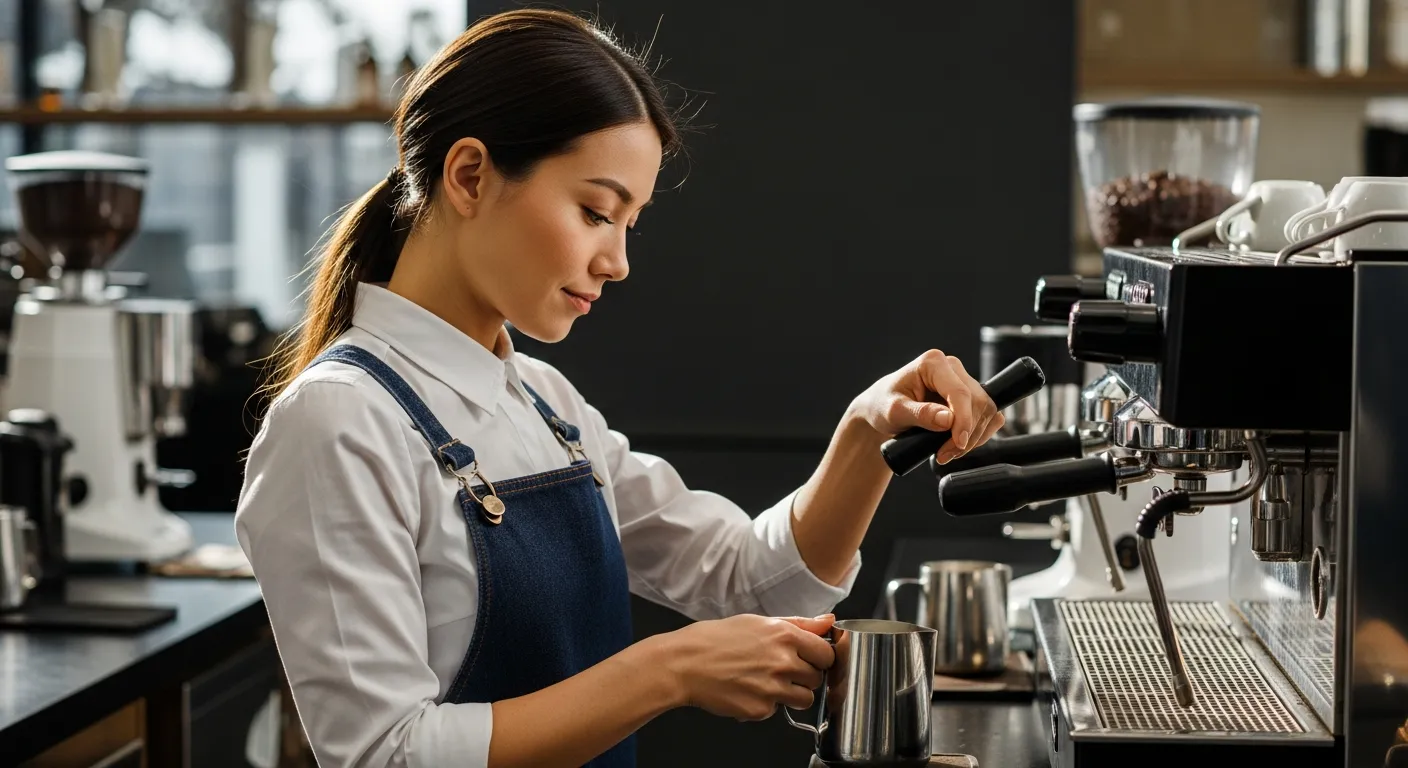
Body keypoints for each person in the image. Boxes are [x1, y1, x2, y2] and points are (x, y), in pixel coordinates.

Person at [235, 8, 1004, 768]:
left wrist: (868, 432)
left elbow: (753, 581)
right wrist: (667, 671)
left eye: (629, 222)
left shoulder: (545, 404)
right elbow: (384, 755)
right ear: (469, 175)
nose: (618, 262)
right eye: (595, 212)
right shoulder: (337, 422)